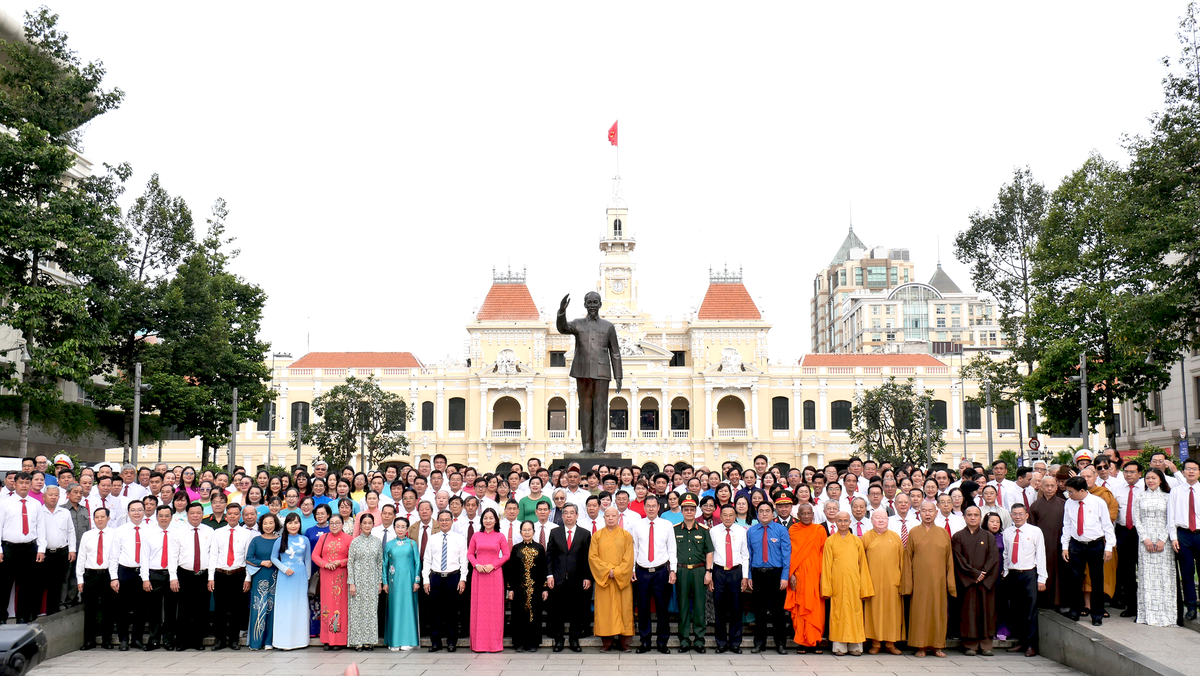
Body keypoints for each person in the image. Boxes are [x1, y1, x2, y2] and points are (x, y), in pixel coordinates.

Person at [902, 500, 956, 658]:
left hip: (938, 581)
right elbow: (907, 560)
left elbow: (949, 560)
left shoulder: (943, 533)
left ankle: (937, 645)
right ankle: (921, 645)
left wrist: (949, 582)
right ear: (919, 513)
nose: (927, 514)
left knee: (938, 612)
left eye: (930, 511)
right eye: (924, 511)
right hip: (919, 581)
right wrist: (908, 583)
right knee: (920, 612)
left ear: (936, 512)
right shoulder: (913, 532)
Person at [1062, 476, 1115, 626]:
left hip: (1095, 544)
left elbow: (1107, 526)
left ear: (1082, 490)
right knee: (1075, 578)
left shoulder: (1098, 502)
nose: (1069, 495)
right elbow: (1066, 525)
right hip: (1076, 544)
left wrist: (1109, 547)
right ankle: (1075, 611)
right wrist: (1065, 546)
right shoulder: (1069, 503)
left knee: (1097, 579)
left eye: (1071, 492)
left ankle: (1097, 614)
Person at [821, 511, 873, 656]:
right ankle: (839, 647)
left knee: (856, 613)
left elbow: (863, 565)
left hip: (855, 584)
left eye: (845, 521)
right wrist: (826, 588)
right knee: (838, 614)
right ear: (835, 522)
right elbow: (826, 566)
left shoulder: (857, 541)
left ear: (850, 522)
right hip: (837, 584)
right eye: (840, 521)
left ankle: (856, 646)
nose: (843, 523)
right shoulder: (830, 541)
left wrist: (865, 588)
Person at [952, 506, 999, 656]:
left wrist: (983, 575)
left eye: (976, 515)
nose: (973, 518)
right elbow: (958, 560)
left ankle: (985, 644)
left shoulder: (988, 536)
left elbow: (994, 558)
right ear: (964, 517)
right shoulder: (958, 537)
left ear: (980, 517)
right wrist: (974, 575)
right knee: (968, 612)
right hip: (968, 583)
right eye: (970, 515)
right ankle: (969, 644)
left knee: (987, 612)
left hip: (985, 583)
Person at [545, 502, 592, 652]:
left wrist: (587, 576)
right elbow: (550, 556)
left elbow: (588, 558)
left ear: (577, 515)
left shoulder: (585, 534)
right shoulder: (555, 532)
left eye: (572, 513)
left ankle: (574, 639)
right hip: (558, 579)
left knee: (576, 611)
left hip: (577, 579)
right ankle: (558, 639)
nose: (569, 515)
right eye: (566, 513)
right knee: (557, 611)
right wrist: (549, 575)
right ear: (562, 515)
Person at [631, 495, 675, 654]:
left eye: (653, 506)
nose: (650, 508)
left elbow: (672, 549)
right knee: (643, 608)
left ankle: (662, 642)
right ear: (644, 507)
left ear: (658, 507)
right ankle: (645, 641)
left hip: (661, 571)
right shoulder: (637, 525)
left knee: (662, 608)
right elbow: (634, 548)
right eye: (647, 506)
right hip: (642, 571)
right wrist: (632, 570)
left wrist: (673, 570)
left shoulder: (667, 525)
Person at [746, 501, 791, 654]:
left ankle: (780, 643)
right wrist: (750, 575)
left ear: (773, 513)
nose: (764, 513)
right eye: (761, 511)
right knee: (759, 611)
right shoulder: (751, 531)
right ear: (757, 514)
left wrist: (785, 576)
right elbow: (749, 555)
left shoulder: (781, 530)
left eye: (767, 511)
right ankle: (760, 643)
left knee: (778, 611)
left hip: (776, 574)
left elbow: (786, 555)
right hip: (758, 573)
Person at [1002, 503, 1046, 657]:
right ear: (1011, 515)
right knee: (1015, 610)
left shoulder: (1035, 531)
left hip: (1029, 573)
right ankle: (1020, 642)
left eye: (1021, 514)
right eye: (1015, 514)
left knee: (1030, 610)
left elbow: (1041, 555)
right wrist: (1006, 571)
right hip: (1013, 574)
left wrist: (1042, 578)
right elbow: (1006, 553)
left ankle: (1031, 645)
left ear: (1026, 515)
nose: (1018, 517)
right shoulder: (1007, 532)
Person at [589, 505, 635, 652]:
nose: (610, 518)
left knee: (624, 610)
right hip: (605, 580)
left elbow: (629, 558)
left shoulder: (626, 535)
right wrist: (608, 571)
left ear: (618, 517)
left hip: (621, 580)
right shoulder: (597, 536)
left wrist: (618, 572)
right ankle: (606, 642)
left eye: (613, 516)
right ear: (603, 518)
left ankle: (624, 642)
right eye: (607, 516)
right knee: (605, 611)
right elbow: (593, 557)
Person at [208, 503, 253, 651]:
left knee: (236, 609)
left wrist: (248, 578)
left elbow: (248, 558)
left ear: (240, 516)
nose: (233, 516)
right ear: (226, 516)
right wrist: (210, 577)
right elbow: (213, 555)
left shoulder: (246, 534)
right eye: (230, 513)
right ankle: (219, 640)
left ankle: (234, 640)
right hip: (220, 574)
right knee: (219, 609)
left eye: (236, 514)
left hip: (238, 574)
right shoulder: (218, 532)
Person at [1134, 468, 1176, 626]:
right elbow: (1136, 519)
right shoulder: (1140, 497)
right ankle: (1147, 615)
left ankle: (1167, 615)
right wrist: (1145, 538)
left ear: (1161, 480)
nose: (1150, 481)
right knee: (1146, 577)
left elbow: (1172, 519)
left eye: (1153, 478)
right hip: (1145, 542)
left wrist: (1163, 539)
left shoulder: (1168, 497)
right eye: (1147, 478)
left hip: (1163, 543)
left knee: (1165, 577)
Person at [422, 510, 467, 652]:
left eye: (447, 520)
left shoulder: (459, 539)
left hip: (453, 577)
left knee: (451, 612)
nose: (444, 522)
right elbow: (427, 560)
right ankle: (435, 642)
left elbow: (463, 561)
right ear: (438, 521)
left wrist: (463, 579)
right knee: (434, 611)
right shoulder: (432, 538)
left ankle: (451, 642)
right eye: (441, 520)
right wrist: (425, 580)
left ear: (452, 521)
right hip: (435, 577)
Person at [672, 493, 713, 653]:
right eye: (686, 509)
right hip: (682, 570)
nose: (689, 512)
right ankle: (683, 640)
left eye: (691, 509)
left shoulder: (703, 530)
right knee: (682, 606)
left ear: (695, 511)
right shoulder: (674, 530)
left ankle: (699, 640)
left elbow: (709, 551)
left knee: (699, 606)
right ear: (682, 511)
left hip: (699, 570)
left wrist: (708, 572)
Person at [0, 472, 43, 624]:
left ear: (30, 484)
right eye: (21, 482)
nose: (24, 486)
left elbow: (40, 528)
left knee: (26, 586)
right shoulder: (5, 503)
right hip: (9, 549)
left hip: (29, 549)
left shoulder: (36, 504)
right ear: (15, 484)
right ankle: (1, 617)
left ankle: (22, 617)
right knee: (4, 586)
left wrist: (41, 549)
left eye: (27, 483)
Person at [466, 507, 509, 652]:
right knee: (479, 609)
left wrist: (494, 565)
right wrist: (476, 565)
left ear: (496, 520)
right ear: (482, 520)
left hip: (494, 575)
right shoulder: (476, 536)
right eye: (486, 518)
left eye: (491, 518)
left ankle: (494, 644)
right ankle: (479, 644)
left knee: (494, 609)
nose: (488, 521)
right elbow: (470, 554)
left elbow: (506, 555)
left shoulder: (500, 536)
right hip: (479, 575)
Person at [861, 508, 904, 655]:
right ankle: (875, 643)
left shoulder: (895, 537)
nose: (881, 520)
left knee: (892, 613)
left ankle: (891, 643)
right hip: (872, 582)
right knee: (874, 612)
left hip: (892, 581)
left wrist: (901, 580)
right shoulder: (866, 537)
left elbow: (902, 561)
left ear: (888, 520)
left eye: (884, 518)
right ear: (871, 520)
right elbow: (862, 562)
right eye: (877, 518)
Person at [785, 502, 826, 654]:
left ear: (813, 515)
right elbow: (790, 553)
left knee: (815, 609)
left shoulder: (819, 530)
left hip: (815, 574)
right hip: (799, 575)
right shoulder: (793, 530)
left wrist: (823, 576)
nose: (807, 516)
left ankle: (814, 641)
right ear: (798, 515)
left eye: (809, 513)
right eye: (803, 513)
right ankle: (802, 642)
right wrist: (791, 574)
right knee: (800, 608)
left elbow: (823, 553)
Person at [77, 506, 118, 650]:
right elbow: (81, 557)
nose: (99, 519)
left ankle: (107, 640)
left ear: (108, 518)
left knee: (108, 609)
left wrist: (115, 577)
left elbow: (116, 556)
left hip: (108, 574)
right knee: (90, 610)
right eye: (97, 517)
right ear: (93, 519)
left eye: (102, 517)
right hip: (91, 574)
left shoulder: (115, 534)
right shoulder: (87, 535)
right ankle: (89, 641)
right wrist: (80, 579)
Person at [710, 504, 748, 654]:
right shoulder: (713, 531)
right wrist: (710, 574)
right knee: (719, 608)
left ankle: (735, 643)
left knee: (736, 608)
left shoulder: (741, 531)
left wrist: (745, 576)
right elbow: (710, 554)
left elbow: (745, 554)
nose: (727, 518)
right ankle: (721, 643)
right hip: (718, 572)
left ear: (735, 516)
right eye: (724, 515)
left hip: (736, 572)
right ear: (720, 516)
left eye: (731, 515)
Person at [271, 513, 311, 650]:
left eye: (296, 523)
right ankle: (283, 641)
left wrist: (308, 578)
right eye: (290, 523)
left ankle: (300, 641)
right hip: (285, 577)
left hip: (300, 578)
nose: (293, 526)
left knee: (299, 607)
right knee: (285, 607)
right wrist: (284, 568)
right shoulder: (280, 540)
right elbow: (273, 558)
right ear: (285, 525)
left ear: (300, 524)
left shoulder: (305, 539)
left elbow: (307, 560)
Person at [506, 520, 548, 652]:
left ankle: (532, 643)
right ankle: (519, 643)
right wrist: (510, 588)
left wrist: (545, 588)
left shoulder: (539, 548)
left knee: (534, 614)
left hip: (535, 588)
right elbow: (511, 569)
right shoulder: (516, 548)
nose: (527, 532)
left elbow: (543, 569)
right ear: (520, 532)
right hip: (519, 588)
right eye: (524, 530)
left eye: (529, 530)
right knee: (518, 615)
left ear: (534, 532)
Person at [1028, 473, 1068, 611]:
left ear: (1057, 487)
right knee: (1044, 570)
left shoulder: (1064, 504)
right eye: (1047, 486)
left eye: (1052, 486)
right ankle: (1043, 600)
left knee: (1060, 572)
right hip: (1042, 546)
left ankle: (1060, 601)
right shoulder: (1035, 506)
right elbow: (1031, 527)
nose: (1050, 488)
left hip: (1060, 544)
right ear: (1041, 487)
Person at [313, 513, 352, 649]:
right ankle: (327, 639)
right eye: (332, 523)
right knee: (326, 607)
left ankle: (339, 640)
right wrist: (324, 564)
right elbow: (315, 555)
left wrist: (339, 562)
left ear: (342, 524)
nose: (334, 525)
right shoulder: (323, 538)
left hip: (341, 576)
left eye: (337, 523)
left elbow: (352, 559)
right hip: (326, 576)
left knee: (340, 606)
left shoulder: (349, 539)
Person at [1168, 458, 1200, 621]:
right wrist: (1174, 537)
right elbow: (1171, 516)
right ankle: (1191, 607)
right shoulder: (1176, 491)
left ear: (1199, 472)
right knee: (1187, 573)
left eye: (1194, 469)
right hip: (1183, 535)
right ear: (1184, 471)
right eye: (1188, 469)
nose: (1191, 471)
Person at [382, 517, 421, 651]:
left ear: (407, 529)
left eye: (403, 526)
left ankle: (408, 640)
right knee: (395, 609)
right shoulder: (389, 544)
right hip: (394, 582)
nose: (400, 529)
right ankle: (394, 641)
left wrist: (417, 580)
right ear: (394, 528)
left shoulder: (412, 544)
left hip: (409, 582)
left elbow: (417, 563)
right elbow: (384, 564)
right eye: (397, 526)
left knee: (408, 608)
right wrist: (385, 582)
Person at [347, 512, 383, 651]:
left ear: (373, 525)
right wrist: (352, 583)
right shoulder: (355, 542)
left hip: (372, 582)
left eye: (369, 523)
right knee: (357, 612)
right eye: (364, 523)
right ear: (360, 525)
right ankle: (357, 642)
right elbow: (350, 563)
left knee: (371, 611)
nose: (367, 525)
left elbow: (379, 563)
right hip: (358, 581)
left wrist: (379, 582)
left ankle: (369, 641)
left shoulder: (377, 542)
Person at [246, 513, 281, 650]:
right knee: (258, 607)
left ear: (275, 524)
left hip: (275, 577)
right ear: (261, 525)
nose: (268, 526)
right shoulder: (256, 540)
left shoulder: (279, 540)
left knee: (272, 608)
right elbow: (249, 558)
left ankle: (269, 641)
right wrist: (261, 562)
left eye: (271, 523)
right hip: (260, 576)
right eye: (265, 523)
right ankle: (256, 642)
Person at [1112, 460, 1143, 616]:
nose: (1128, 474)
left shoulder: (1146, 488)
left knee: (1144, 569)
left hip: (1141, 533)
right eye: (1126, 472)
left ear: (1140, 474)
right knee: (1126, 571)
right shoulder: (1117, 489)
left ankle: (1145, 606)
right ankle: (1132, 606)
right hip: (1123, 532)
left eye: (1132, 472)